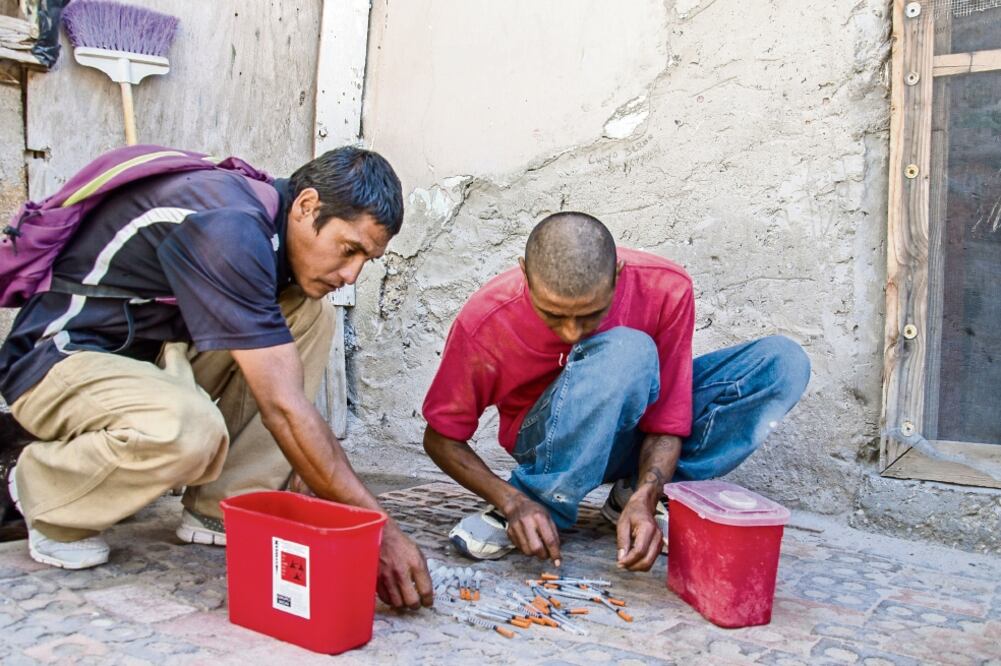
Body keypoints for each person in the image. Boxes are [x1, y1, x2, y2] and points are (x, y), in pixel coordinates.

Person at [0, 146, 433, 609]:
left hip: (152, 356)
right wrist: (379, 529)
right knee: (189, 430)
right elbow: (284, 408)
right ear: (307, 206)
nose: (351, 275)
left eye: (367, 260)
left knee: (308, 314)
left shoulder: (269, 223)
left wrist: (314, 469)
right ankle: (38, 489)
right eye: (349, 250)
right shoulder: (229, 226)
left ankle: (222, 505)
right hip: (59, 358)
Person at [422, 212, 810, 572]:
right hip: (546, 441)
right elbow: (441, 438)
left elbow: (668, 418)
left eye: (591, 314)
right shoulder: (487, 319)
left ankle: (632, 497)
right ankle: (540, 499)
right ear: (525, 274)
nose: (572, 332)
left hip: (636, 435)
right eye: (553, 315)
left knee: (783, 364)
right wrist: (511, 500)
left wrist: (647, 494)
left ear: (617, 276)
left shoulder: (666, 289)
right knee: (627, 351)